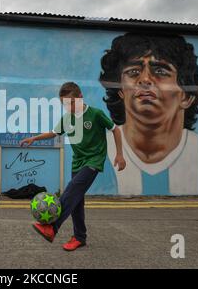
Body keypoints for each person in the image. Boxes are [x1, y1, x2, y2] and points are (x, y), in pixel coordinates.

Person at [99, 32, 198, 196]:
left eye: (160, 71)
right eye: (133, 71)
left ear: (186, 96)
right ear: (120, 92)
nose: (145, 79)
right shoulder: (102, 151)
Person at [20, 82, 126, 251]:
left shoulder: (95, 114)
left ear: (80, 97)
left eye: (71, 102)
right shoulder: (67, 119)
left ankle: (52, 227)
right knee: (76, 201)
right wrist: (34, 138)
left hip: (93, 161)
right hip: (77, 162)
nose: (68, 107)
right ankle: (80, 237)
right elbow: (54, 133)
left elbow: (115, 130)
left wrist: (119, 154)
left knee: (72, 189)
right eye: (65, 104)